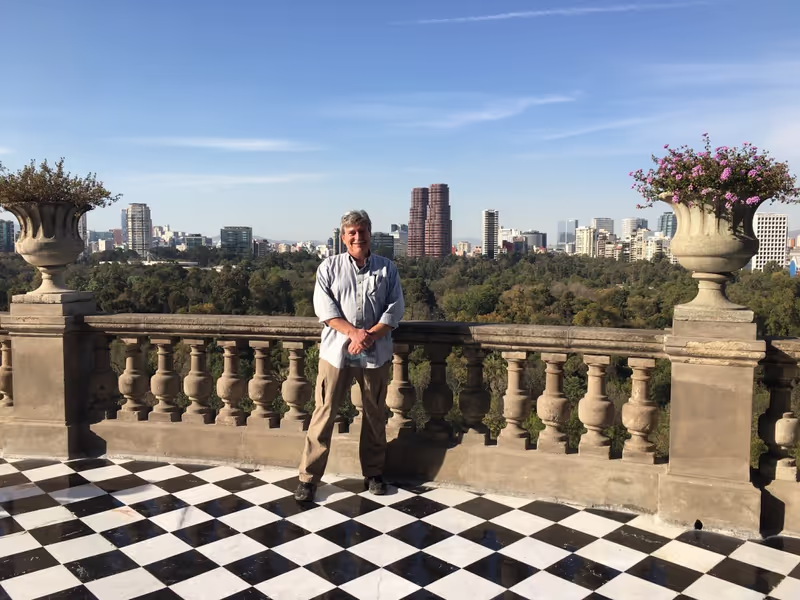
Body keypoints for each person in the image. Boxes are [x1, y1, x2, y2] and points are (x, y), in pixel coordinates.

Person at [295, 210, 405, 502]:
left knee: (374, 414)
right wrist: (354, 334)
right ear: (343, 237)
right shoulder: (328, 268)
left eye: (363, 231)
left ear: (370, 234)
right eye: (352, 232)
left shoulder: (387, 268)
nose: (358, 236)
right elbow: (325, 309)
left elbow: (395, 310)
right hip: (336, 354)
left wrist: (368, 336)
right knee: (324, 412)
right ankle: (308, 478)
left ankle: (373, 473)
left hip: (375, 353)